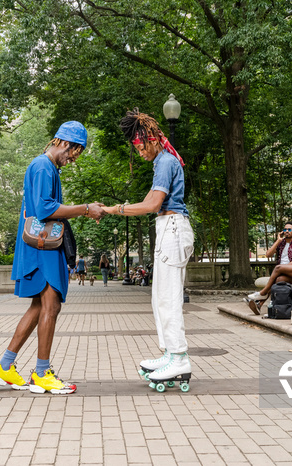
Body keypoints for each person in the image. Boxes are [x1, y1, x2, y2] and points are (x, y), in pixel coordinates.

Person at [0, 121, 105, 395]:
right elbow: (44, 209)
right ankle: (41, 373)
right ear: (63, 143)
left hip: (39, 246)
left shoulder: (47, 167)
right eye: (72, 153)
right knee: (50, 307)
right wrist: (86, 209)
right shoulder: (43, 166)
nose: (71, 160)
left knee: (40, 307)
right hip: (43, 248)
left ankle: (5, 366)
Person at [103, 108, 194, 386]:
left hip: (173, 229)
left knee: (168, 298)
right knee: (160, 298)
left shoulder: (165, 162)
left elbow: (152, 205)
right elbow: (149, 201)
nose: (140, 153)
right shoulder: (162, 163)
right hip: (168, 229)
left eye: (141, 147)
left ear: (152, 140)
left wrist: (115, 209)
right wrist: (114, 209)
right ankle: (170, 353)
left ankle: (179, 357)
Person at [247, 218, 292, 302]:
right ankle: (260, 304)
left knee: (278, 268)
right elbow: (270, 255)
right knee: (279, 279)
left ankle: (262, 293)